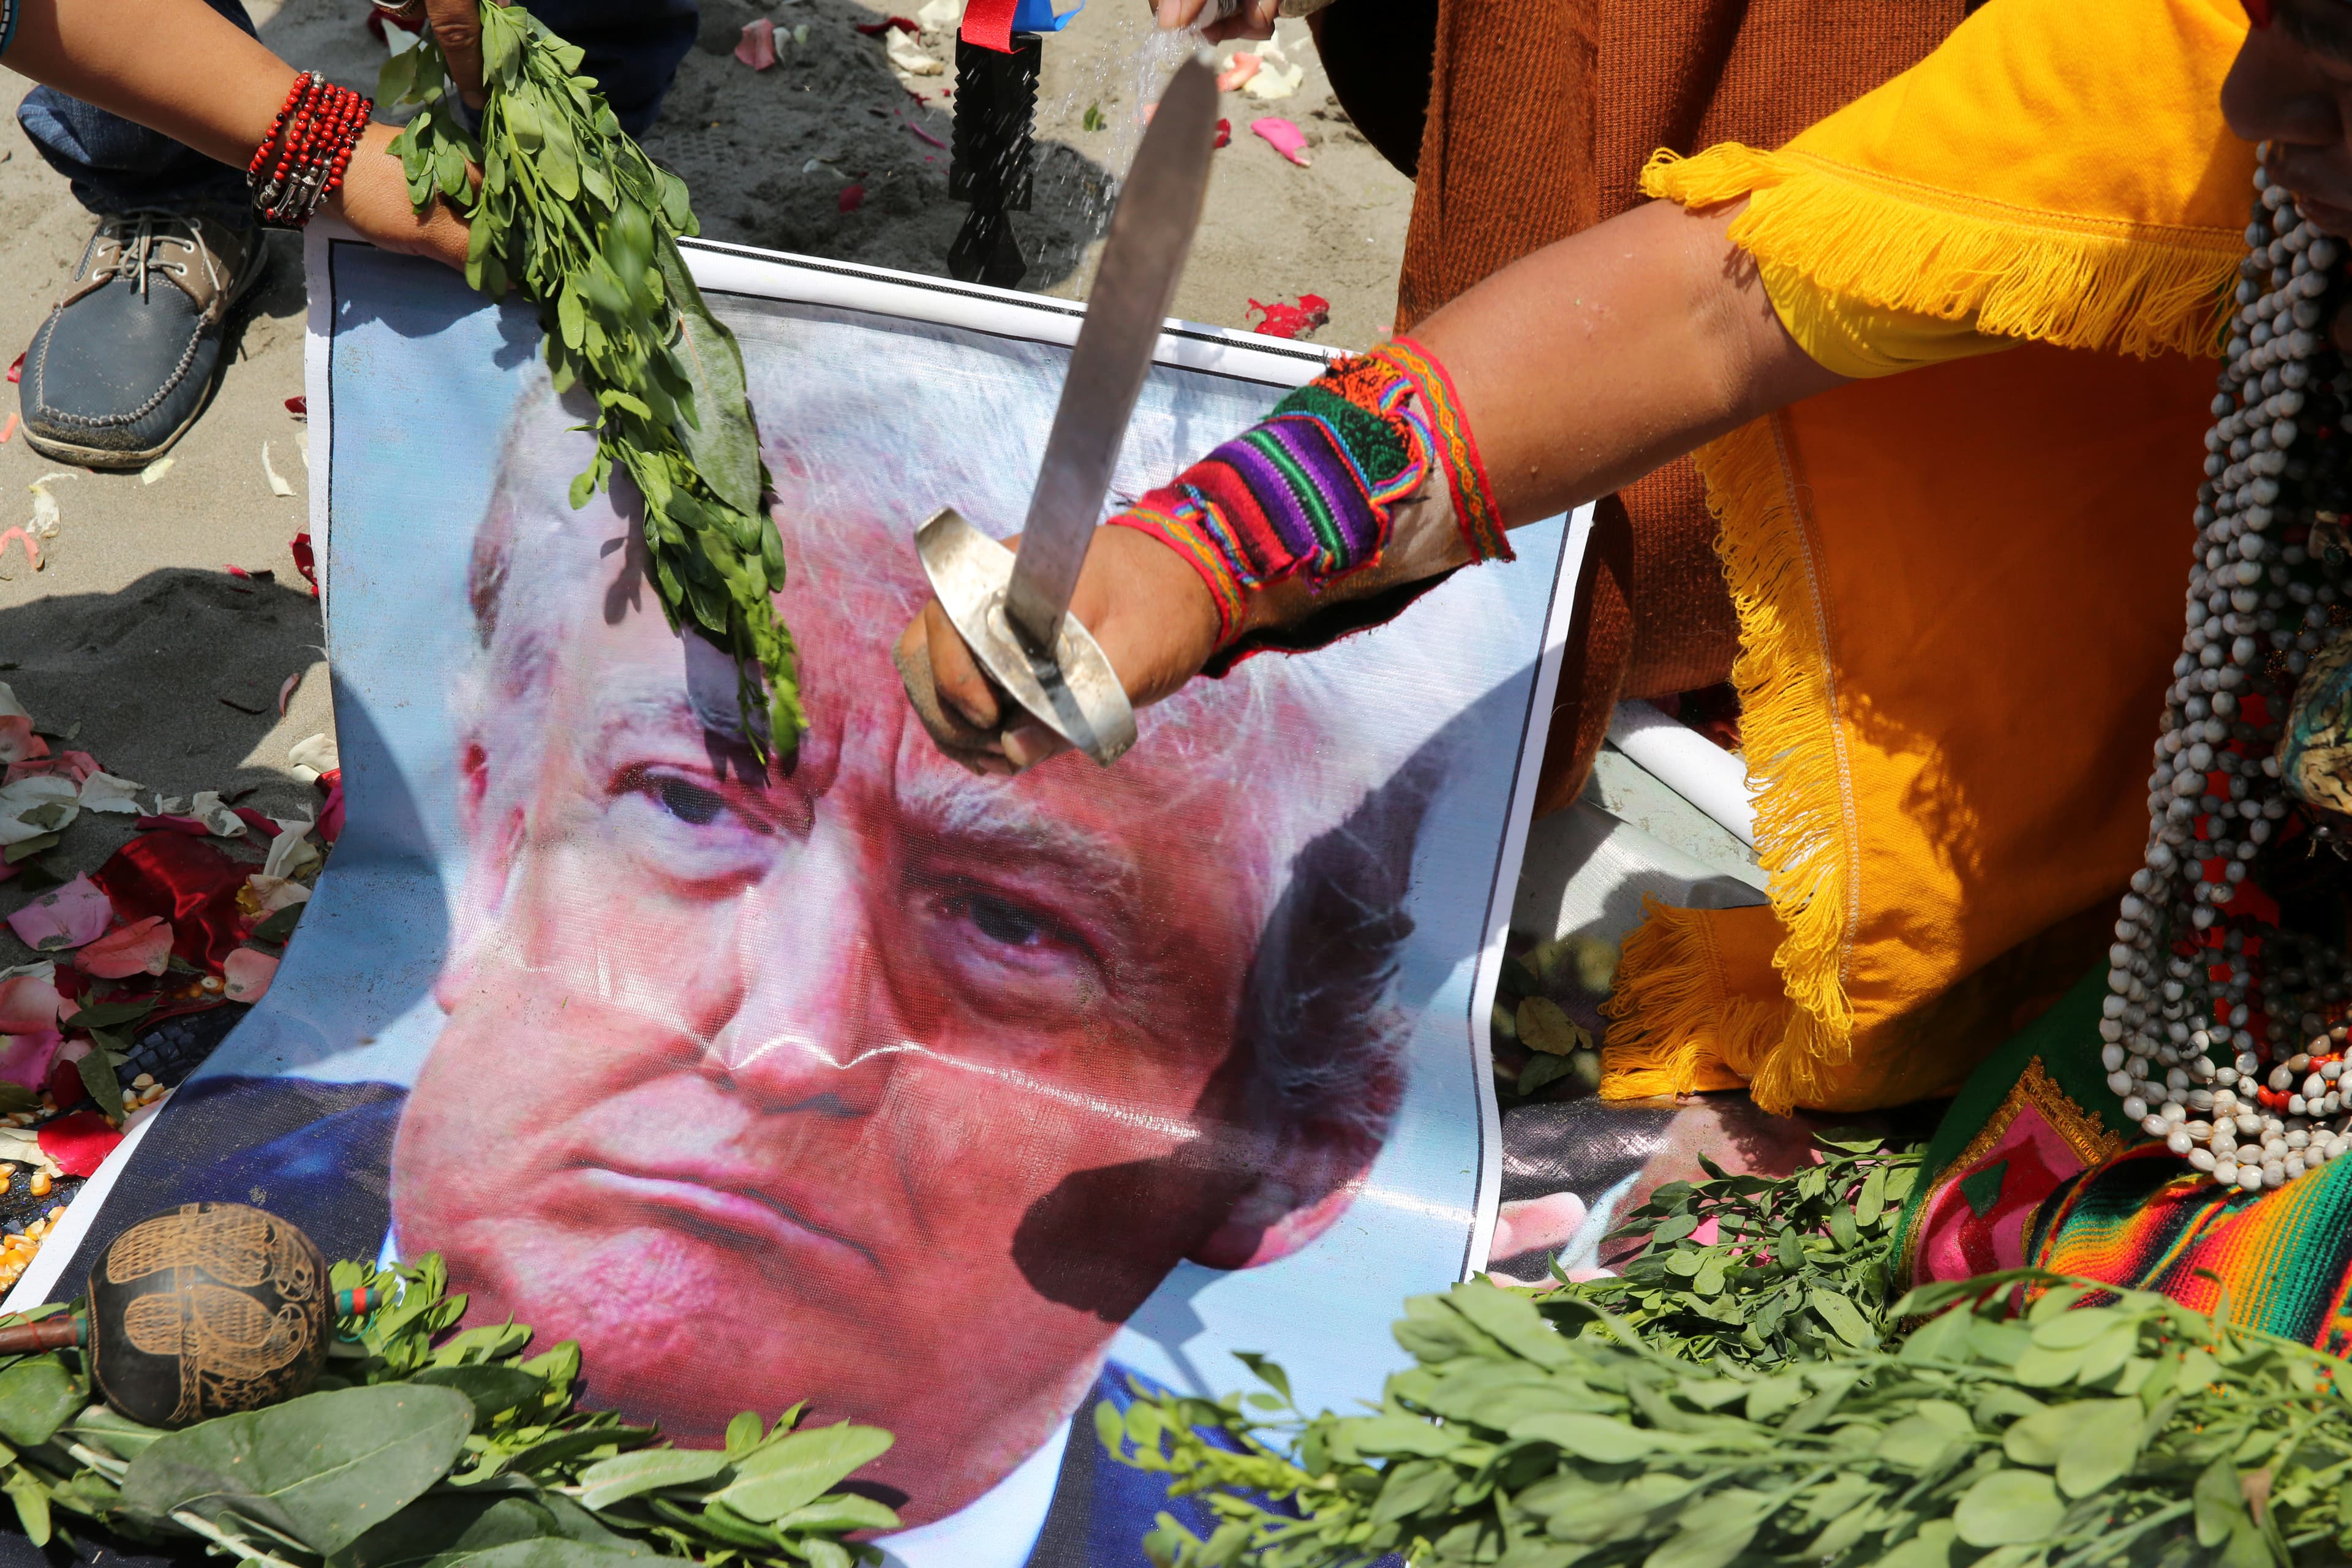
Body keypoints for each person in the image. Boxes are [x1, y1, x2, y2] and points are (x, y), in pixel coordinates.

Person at [76, 322, 1519, 1564]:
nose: (790, 1039)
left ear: (1304, 1140)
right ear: (492, 838)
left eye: (1013, 921)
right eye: (689, 801)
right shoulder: (139, 1316)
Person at [897, 0, 2256, 1126]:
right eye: (2284, 28)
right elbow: (1714, 311)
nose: (2269, 100)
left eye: (2331, 49)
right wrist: (1203, 552)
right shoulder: (2193, 66)